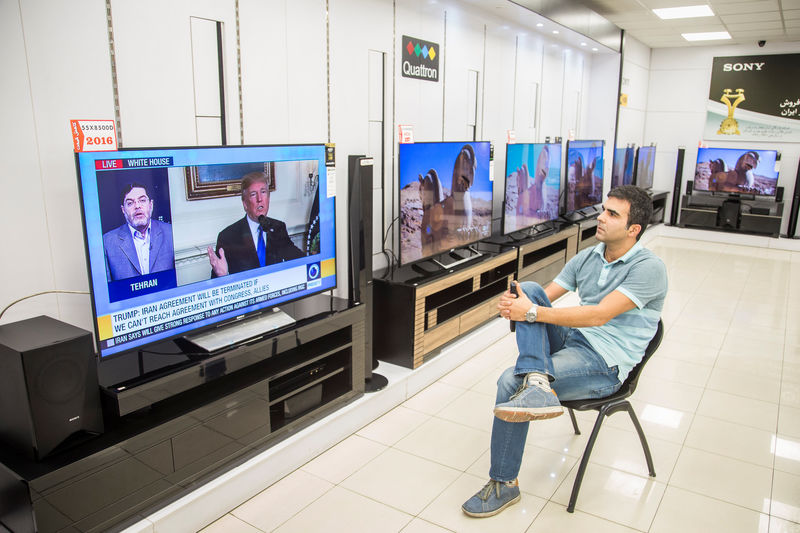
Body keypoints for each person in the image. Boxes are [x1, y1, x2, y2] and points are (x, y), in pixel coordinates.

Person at [462, 185, 667, 518]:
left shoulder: (649, 268)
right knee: (527, 289)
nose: (600, 217)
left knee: (509, 383)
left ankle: (504, 484)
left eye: (612, 214)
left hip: (604, 366)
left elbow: (599, 315)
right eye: (604, 209)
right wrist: (518, 303)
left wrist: (529, 312)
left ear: (634, 230)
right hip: (576, 341)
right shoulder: (588, 257)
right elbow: (544, 297)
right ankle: (538, 381)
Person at [207, 171, 304, 277]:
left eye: (263, 192)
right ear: (245, 204)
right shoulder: (228, 237)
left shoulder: (278, 227)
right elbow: (216, 281)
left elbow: (298, 259)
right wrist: (222, 275)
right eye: (253, 194)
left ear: (268, 198)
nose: (259, 199)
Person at [103, 183, 175, 281]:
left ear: (151, 205)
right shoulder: (107, 242)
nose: (137, 206)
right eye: (130, 203)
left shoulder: (170, 232)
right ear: (123, 210)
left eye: (142, 200)